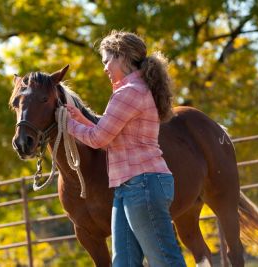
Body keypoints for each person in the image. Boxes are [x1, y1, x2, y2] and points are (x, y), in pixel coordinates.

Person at [63, 30, 186, 267]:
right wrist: (80, 119)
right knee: (125, 263)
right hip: (129, 186)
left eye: (107, 61)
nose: (105, 68)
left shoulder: (128, 93)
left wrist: (68, 125)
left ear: (122, 57)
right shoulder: (135, 90)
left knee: (164, 260)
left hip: (142, 184)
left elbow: (99, 139)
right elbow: (112, 138)